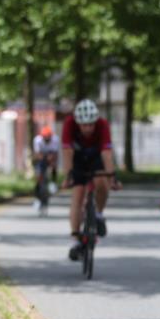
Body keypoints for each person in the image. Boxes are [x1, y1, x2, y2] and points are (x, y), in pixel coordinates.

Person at [61, 99, 121, 261]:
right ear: (77, 122)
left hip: (96, 157)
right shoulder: (69, 124)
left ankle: (99, 214)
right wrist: (68, 176)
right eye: (84, 125)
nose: (87, 128)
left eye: (90, 124)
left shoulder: (102, 125)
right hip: (78, 159)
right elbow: (67, 152)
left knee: (102, 182)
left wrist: (112, 176)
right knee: (78, 195)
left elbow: (107, 154)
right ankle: (75, 239)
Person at [32, 125, 60, 208]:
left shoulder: (55, 140)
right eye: (45, 138)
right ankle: (37, 198)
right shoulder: (37, 140)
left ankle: (53, 182)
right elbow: (37, 155)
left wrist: (51, 160)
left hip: (51, 157)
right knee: (38, 177)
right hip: (41, 158)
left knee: (54, 165)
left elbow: (55, 154)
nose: (47, 140)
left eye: (49, 138)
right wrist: (45, 158)